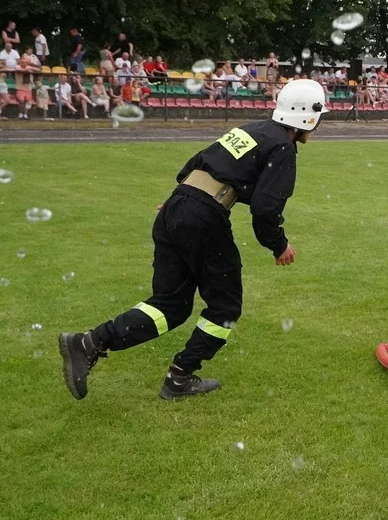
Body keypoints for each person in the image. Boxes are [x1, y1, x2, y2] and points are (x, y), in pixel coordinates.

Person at [57, 79, 328, 401]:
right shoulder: (283, 147)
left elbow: (195, 163)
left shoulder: (251, 129)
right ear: (309, 117)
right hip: (202, 218)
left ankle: (89, 342)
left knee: (170, 305)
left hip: (176, 208)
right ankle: (180, 377)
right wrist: (278, 244)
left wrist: (183, 201)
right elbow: (266, 209)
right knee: (225, 306)